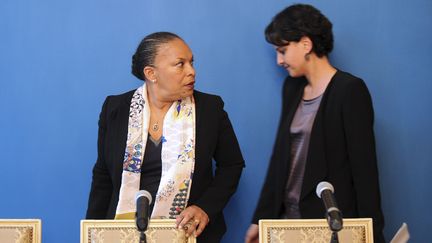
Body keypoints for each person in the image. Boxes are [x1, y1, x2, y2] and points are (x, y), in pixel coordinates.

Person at [245, 4, 385, 243]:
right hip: (287, 223)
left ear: (306, 45)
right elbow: (280, 158)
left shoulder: (349, 90)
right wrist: (260, 219)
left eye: (282, 50)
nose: (279, 60)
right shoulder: (292, 88)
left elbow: (365, 171)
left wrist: (372, 234)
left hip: (329, 224)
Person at [86, 32, 245, 243]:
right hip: (124, 232)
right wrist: (93, 233)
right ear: (151, 73)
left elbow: (232, 165)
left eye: (192, 62)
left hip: (189, 233)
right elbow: (103, 175)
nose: (192, 71)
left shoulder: (210, 109)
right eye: (180, 64)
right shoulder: (115, 109)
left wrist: (205, 208)